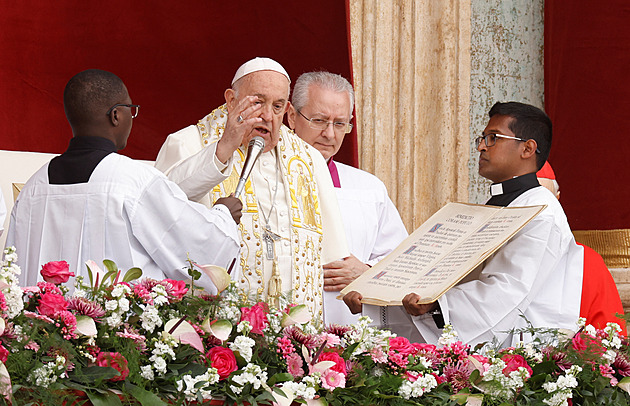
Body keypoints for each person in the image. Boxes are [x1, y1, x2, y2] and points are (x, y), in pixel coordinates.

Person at [345, 102, 584, 347]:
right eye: (482, 138)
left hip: (516, 353)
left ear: (527, 148)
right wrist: (377, 294)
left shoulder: (541, 213)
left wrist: (436, 305)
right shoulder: (493, 203)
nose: (481, 146)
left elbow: (507, 290)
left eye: (493, 138)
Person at [6, 69, 242, 290]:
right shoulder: (132, 181)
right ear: (116, 115)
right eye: (131, 108)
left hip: (45, 331)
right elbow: (197, 248)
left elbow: (12, 272)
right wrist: (223, 215)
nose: (132, 116)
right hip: (114, 331)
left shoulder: (33, 188)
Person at [154, 58, 349, 320]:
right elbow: (162, 207)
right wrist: (224, 149)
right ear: (231, 100)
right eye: (257, 102)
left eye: (277, 106)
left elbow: (328, 263)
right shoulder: (188, 142)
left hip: (290, 331)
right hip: (216, 327)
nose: (267, 116)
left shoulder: (308, 159)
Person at [287, 71, 408, 325]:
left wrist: (366, 273)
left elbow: (402, 264)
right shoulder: (263, 179)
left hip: (348, 336)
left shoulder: (368, 189)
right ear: (291, 117)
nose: (330, 134)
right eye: (319, 120)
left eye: (340, 123)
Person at [537, 162, 626, 333]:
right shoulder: (490, 256)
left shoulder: (588, 262)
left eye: (545, 201)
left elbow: (608, 338)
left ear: (557, 199)